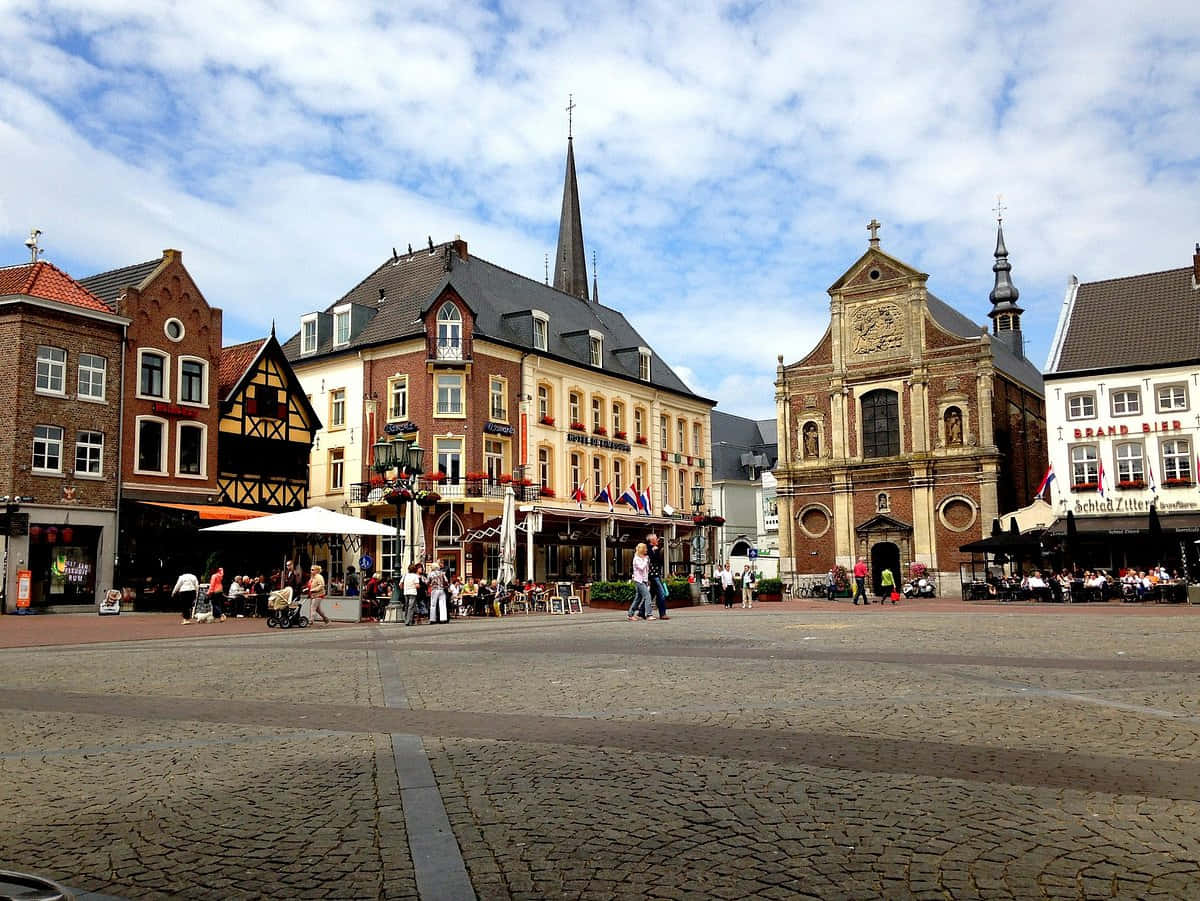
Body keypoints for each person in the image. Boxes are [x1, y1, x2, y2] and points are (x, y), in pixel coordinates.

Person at [628, 542, 654, 621]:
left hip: (644, 580)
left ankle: (630, 614)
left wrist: (647, 580)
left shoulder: (644, 558)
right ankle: (649, 614)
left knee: (638, 598)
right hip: (639, 581)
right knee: (647, 596)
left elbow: (646, 570)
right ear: (642, 549)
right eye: (645, 548)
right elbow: (642, 567)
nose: (646, 550)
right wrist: (646, 560)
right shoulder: (636, 559)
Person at [647, 533, 669, 620]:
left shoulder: (656, 548)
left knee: (651, 594)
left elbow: (659, 562)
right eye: (656, 539)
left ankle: (641, 612)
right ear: (652, 541)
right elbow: (651, 560)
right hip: (653, 575)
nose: (658, 540)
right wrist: (655, 551)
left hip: (656, 574)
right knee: (661, 593)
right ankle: (662, 613)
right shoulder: (648, 549)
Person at [427, 560, 448, 624]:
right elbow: (446, 581)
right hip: (441, 590)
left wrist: (430, 584)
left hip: (434, 589)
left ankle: (432, 619)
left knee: (433, 604)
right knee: (442, 604)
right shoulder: (442, 573)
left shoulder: (431, 573)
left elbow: (427, 581)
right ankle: (443, 619)